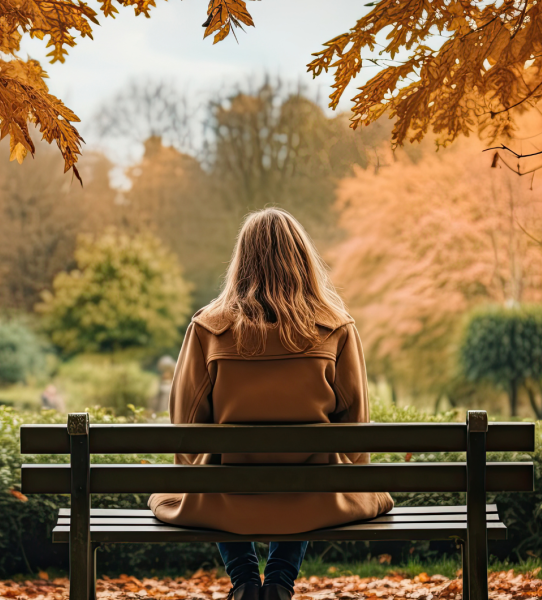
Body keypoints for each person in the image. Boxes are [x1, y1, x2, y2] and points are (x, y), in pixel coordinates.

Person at [149, 208, 393, 600]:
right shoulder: (336, 327)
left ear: (241, 262)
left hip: (223, 501)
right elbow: (355, 434)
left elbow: (186, 431)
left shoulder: (207, 328)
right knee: (321, 479)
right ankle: (279, 581)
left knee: (192, 484)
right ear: (303, 260)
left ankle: (245, 580)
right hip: (315, 500)